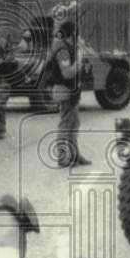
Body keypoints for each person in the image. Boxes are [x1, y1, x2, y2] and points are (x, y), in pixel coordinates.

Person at [47, 18, 91, 168]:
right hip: (64, 91)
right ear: (72, 35)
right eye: (77, 35)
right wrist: (79, 61)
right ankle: (62, 157)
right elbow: (67, 73)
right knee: (66, 124)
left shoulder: (69, 48)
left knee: (73, 123)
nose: (79, 38)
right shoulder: (63, 51)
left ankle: (74, 155)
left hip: (71, 91)